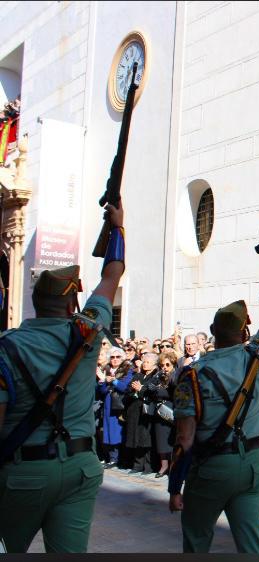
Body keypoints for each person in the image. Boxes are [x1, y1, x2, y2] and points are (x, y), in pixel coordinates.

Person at [0, 203, 125, 552]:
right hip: (78, 469)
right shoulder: (88, 330)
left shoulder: (6, 348)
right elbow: (112, 275)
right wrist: (117, 228)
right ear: (72, 305)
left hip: (24, 472)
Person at [167, 257, 259, 553]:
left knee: (196, 541)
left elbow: (184, 437)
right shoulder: (257, 356)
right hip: (254, 462)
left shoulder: (193, 375)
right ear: (244, 333)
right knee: (251, 543)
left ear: (212, 330)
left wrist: (174, 486)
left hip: (213, 467)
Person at [97, 346, 132, 468]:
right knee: (109, 432)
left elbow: (125, 387)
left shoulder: (127, 370)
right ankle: (113, 458)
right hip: (108, 405)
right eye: (112, 357)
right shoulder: (106, 370)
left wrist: (113, 381)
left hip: (120, 405)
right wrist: (102, 381)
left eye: (118, 357)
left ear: (122, 358)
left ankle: (121, 459)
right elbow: (102, 391)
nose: (115, 359)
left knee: (119, 432)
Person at [123, 353, 157, 474]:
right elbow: (127, 390)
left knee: (146, 439)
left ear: (154, 365)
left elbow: (152, 393)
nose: (145, 364)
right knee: (136, 438)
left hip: (146, 412)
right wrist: (134, 390)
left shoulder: (155, 377)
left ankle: (148, 466)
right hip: (134, 410)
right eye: (144, 362)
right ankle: (137, 465)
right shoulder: (138, 375)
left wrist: (141, 389)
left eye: (148, 362)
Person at [146, 351, 176, 478]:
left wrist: (160, 388)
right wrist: (152, 385)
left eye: (167, 365)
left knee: (172, 439)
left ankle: (173, 467)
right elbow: (149, 387)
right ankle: (163, 466)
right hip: (159, 410)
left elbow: (174, 392)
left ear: (173, 364)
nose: (165, 367)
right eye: (162, 365)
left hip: (170, 409)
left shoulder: (175, 375)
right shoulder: (158, 375)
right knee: (160, 439)